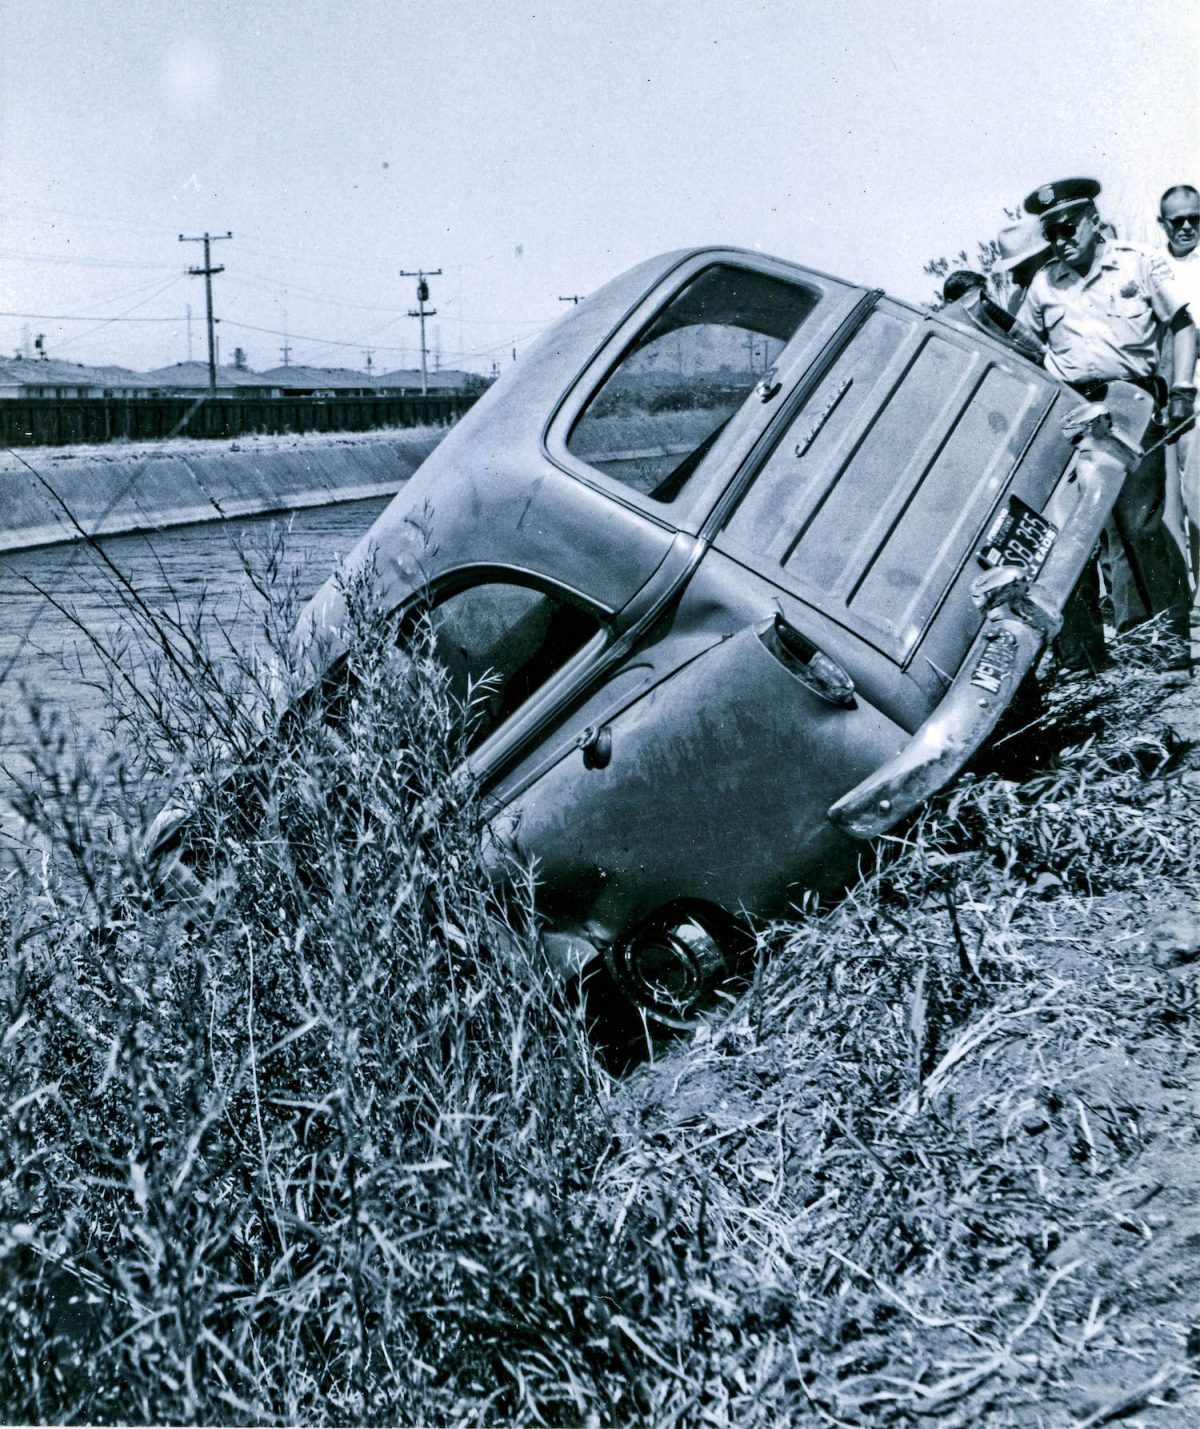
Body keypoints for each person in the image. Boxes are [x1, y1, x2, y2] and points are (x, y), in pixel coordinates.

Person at [1016, 177, 1196, 671]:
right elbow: (1023, 347)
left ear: (1094, 221)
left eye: (1069, 227)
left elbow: (1183, 327)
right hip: (1072, 412)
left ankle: (1166, 648)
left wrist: (1183, 388)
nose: (1061, 240)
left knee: (1139, 526)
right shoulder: (1044, 284)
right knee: (1074, 533)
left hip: (1130, 403)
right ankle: (1094, 660)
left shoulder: (1138, 263)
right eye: (1051, 232)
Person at [1158, 184, 1200, 586]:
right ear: (1163, 224)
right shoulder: (1151, 266)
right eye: (1177, 221)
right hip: (1165, 400)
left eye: (1194, 219)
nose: (1186, 227)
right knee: (1171, 503)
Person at [993, 219, 1049, 314]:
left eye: (1022, 271)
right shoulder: (1017, 302)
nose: (1014, 280)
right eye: (1012, 272)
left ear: (1046, 256)